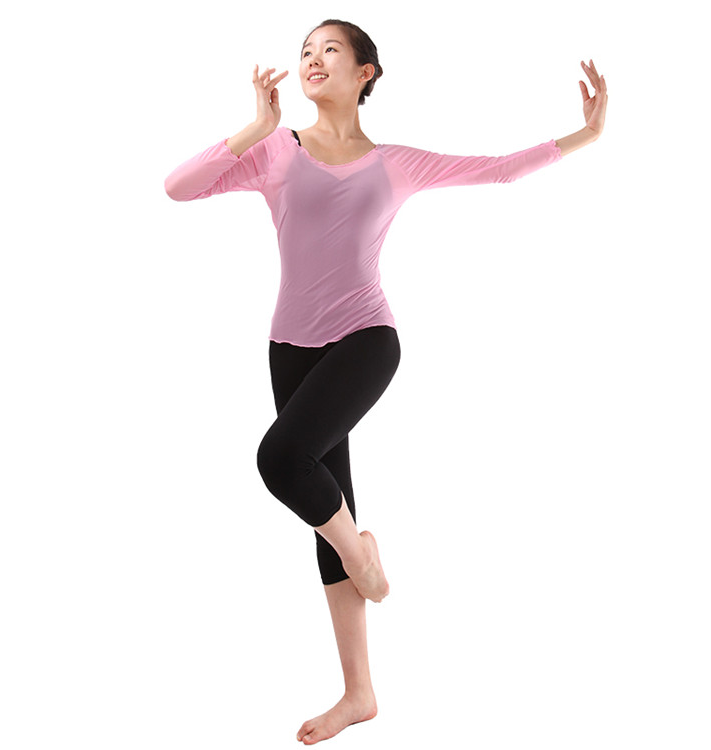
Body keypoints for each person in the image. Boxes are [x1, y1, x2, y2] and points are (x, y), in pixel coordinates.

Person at [164, 18, 608, 746]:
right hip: (289, 348)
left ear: (365, 71)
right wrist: (255, 127)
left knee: (281, 461)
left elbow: (497, 169)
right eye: (305, 52)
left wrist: (584, 134)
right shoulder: (277, 151)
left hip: (367, 337)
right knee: (327, 504)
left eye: (329, 50)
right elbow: (178, 189)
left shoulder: (394, 164)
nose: (312, 60)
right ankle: (359, 691)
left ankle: (361, 557)